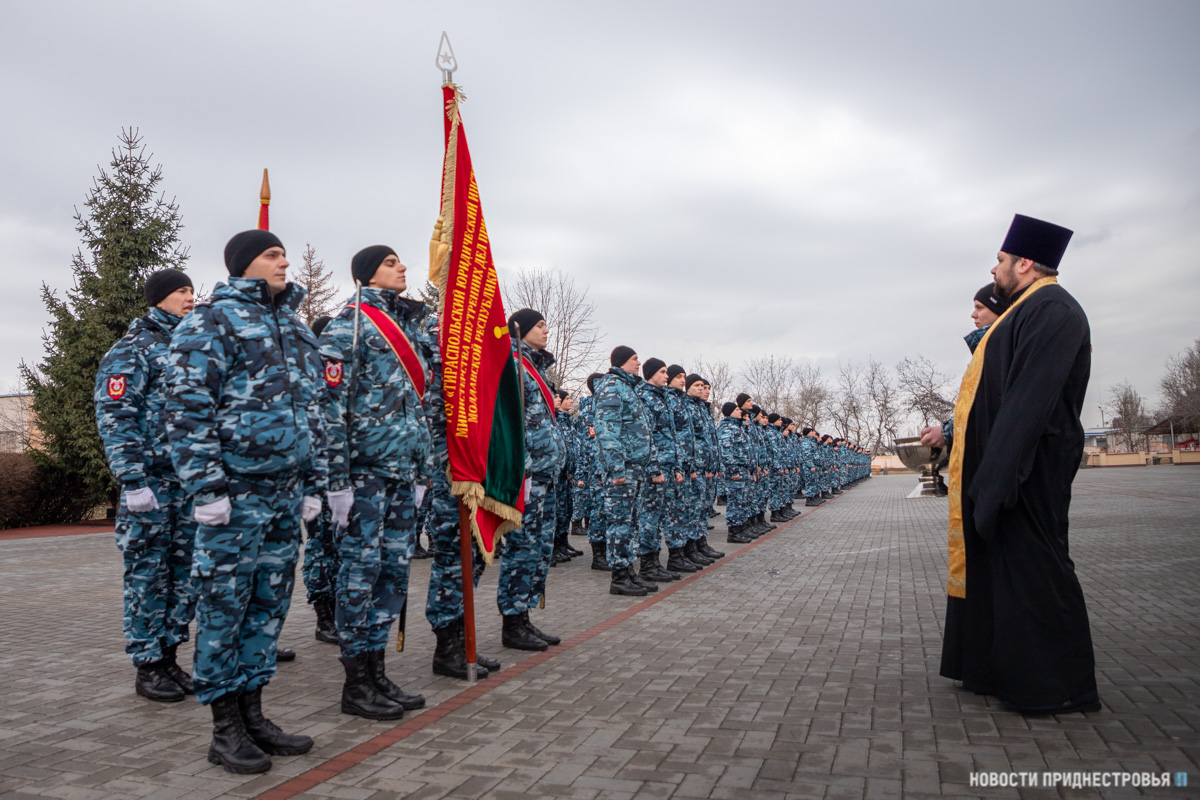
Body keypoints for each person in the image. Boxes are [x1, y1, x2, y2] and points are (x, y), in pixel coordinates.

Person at [921, 213, 1098, 714]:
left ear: (1024, 263)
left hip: (1029, 474)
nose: (993, 268)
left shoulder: (1052, 309)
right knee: (1010, 578)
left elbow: (1027, 405)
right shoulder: (1025, 310)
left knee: (1038, 574)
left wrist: (996, 481)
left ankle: (1058, 687)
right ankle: (1007, 673)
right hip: (1009, 473)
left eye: (1000, 259)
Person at [166, 230, 324, 773]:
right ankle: (224, 727)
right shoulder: (209, 322)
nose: (285, 262)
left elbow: (315, 413)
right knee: (224, 607)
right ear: (242, 265)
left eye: (284, 254)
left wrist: (314, 484)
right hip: (234, 496)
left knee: (268, 606)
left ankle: (253, 712)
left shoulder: (295, 328)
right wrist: (207, 489)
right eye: (272, 255)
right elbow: (188, 410)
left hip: (284, 494)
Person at [319, 245, 430, 720]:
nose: (402, 267)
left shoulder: (409, 330)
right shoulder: (349, 327)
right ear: (367, 275)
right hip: (363, 475)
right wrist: (337, 482)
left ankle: (377, 669)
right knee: (359, 575)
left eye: (399, 261)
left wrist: (422, 471)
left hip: (402, 474)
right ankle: (356, 682)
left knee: (393, 573)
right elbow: (330, 410)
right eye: (390, 263)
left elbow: (418, 409)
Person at [95, 268, 199, 703]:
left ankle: (169, 658)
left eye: (192, 290)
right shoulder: (132, 348)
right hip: (151, 486)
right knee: (147, 576)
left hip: (187, 484)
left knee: (183, 577)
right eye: (181, 291)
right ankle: (147, 665)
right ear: (159, 298)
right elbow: (115, 416)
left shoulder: (190, 347)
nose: (190, 297)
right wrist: (132, 480)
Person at [422, 308, 502, 680]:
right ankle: (447, 647)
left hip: (478, 468)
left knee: (474, 555)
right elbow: (431, 411)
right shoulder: (436, 341)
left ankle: (461, 638)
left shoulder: (473, 343)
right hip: (451, 470)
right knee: (453, 559)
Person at [498, 308, 568, 650]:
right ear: (520, 329)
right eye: (539, 325)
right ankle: (512, 622)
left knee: (539, 548)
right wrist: (521, 467)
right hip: (527, 475)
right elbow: (507, 420)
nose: (546, 331)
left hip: (545, 474)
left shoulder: (534, 368)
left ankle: (524, 616)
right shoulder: (513, 365)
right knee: (523, 547)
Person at [593, 346, 653, 595]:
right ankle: (618, 577)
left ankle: (629, 571)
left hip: (634, 468)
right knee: (619, 523)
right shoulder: (612, 386)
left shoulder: (628, 387)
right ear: (621, 362)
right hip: (623, 469)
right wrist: (616, 468)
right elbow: (607, 430)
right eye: (634, 359)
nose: (639, 363)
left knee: (631, 523)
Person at [302, 314, 339, 646]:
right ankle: (323, 615)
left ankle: (338, 611)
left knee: (339, 546)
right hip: (316, 476)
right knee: (320, 546)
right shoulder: (310, 371)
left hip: (341, 475)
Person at [635, 358, 682, 583]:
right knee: (649, 517)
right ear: (651, 374)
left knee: (659, 516)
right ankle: (647, 564)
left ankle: (655, 562)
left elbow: (671, 436)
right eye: (662, 372)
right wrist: (654, 469)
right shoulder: (645, 398)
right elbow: (647, 437)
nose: (666, 376)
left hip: (667, 466)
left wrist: (676, 466)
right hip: (655, 469)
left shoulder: (661, 398)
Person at [717, 401, 753, 543]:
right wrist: (733, 470)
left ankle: (740, 529)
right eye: (737, 409)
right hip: (735, 471)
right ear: (729, 412)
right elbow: (726, 450)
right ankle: (733, 532)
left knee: (742, 501)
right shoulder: (727, 428)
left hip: (742, 469)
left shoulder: (737, 427)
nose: (740, 411)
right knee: (735, 502)